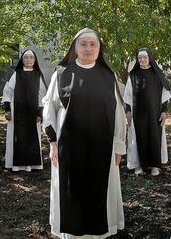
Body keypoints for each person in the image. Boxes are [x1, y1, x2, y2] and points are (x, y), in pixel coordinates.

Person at [43, 28, 126, 238]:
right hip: (69, 147)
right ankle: (71, 233)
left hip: (103, 146)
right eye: (83, 44)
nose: (88, 48)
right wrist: (52, 142)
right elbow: (49, 107)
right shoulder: (61, 73)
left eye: (93, 44)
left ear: (99, 49)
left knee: (100, 189)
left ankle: (99, 233)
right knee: (71, 189)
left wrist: (118, 145)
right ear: (75, 47)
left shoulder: (107, 76)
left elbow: (117, 112)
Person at [124, 48, 171, 176]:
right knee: (138, 136)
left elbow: (164, 94)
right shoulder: (133, 75)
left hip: (154, 112)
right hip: (137, 112)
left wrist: (164, 111)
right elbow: (128, 94)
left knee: (154, 136)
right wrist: (128, 111)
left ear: (149, 58)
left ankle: (154, 165)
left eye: (144, 57)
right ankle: (137, 165)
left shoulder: (157, 74)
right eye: (140, 58)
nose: (142, 60)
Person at [2, 49, 47, 172]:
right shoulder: (17, 74)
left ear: (35, 60)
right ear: (22, 60)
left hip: (32, 113)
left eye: (31, 58)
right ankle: (15, 165)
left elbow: (42, 95)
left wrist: (39, 113)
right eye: (26, 57)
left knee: (32, 138)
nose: (28, 60)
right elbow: (7, 91)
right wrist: (7, 109)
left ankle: (33, 165)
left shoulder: (38, 76)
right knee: (16, 137)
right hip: (17, 113)